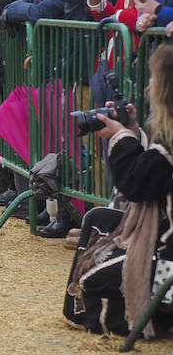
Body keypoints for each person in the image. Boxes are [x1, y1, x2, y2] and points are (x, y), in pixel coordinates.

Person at [66, 44, 173, 337]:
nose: (149, 85)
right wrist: (134, 130)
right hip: (159, 238)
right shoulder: (166, 136)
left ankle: (157, 317)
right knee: (96, 220)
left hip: (167, 253)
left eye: (154, 79)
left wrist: (121, 136)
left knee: (88, 281)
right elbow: (150, 170)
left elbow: (135, 185)